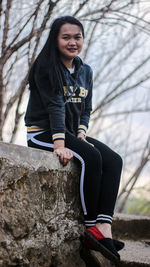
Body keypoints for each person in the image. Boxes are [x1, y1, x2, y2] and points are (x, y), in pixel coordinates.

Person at [25, 16, 124, 262]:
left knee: (113, 159)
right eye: (66, 37)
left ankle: (104, 227)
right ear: (56, 40)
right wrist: (60, 144)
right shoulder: (46, 67)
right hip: (43, 133)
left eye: (77, 37)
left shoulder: (84, 71)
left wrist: (81, 133)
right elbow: (55, 106)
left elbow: (86, 108)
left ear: (82, 39)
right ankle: (91, 227)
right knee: (90, 156)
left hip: (69, 132)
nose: (72, 42)